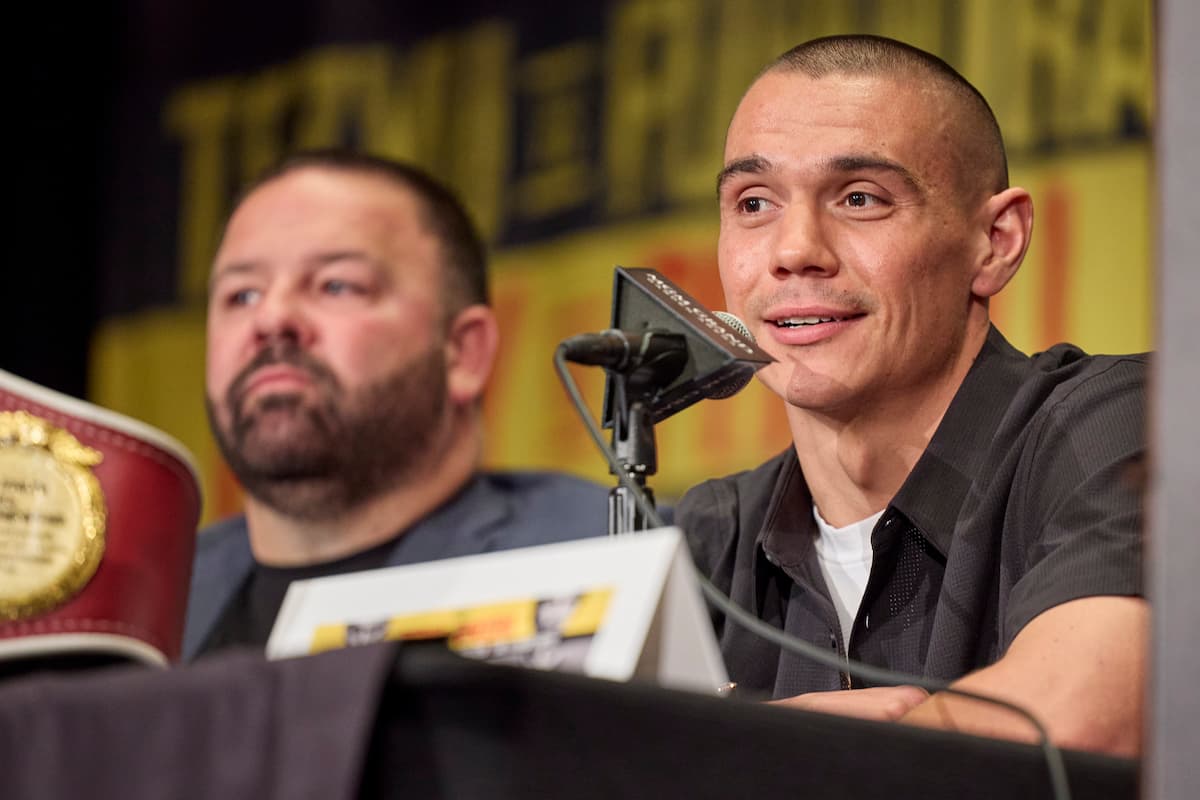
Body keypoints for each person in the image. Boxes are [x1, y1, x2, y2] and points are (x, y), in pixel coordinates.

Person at [677, 35, 1147, 757]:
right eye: (754, 202)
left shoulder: (1121, 425)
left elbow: (1076, 724)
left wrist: (734, 751)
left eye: (861, 198)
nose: (793, 248)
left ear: (995, 240)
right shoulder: (706, 539)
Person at [184, 150, 609, 659]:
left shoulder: (605, 556)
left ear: (462, 353)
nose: (272, 318)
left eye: (336, 285)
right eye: (242, 295)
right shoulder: (136, 602)